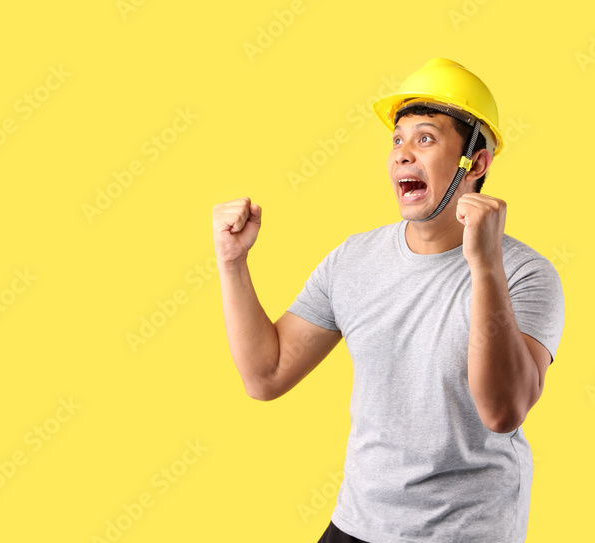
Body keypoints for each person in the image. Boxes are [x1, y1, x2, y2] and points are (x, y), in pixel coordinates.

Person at [212, 58, 565, 543]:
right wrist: (232, 262)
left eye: (425, 138)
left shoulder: (526, 274)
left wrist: (485, 267)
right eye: (397, 140)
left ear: (476, 164)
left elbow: (503, 411)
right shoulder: (353, 260)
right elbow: (265, 375)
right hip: (358, 525)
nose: (401, 155)